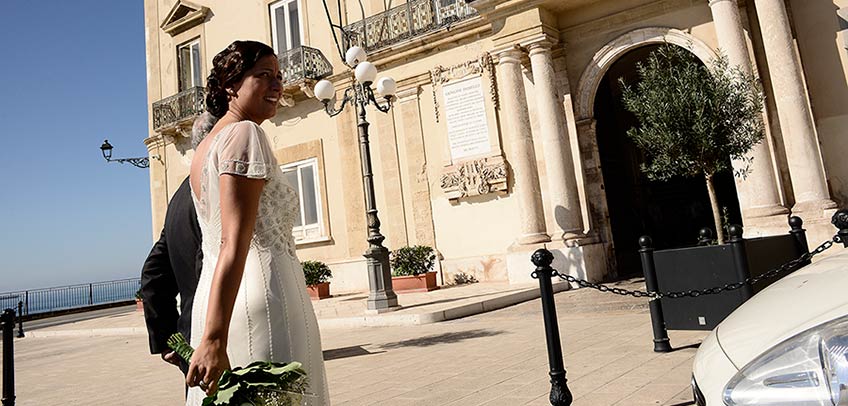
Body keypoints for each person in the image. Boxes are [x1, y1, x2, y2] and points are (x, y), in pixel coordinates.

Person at [185, 40, 329, 405]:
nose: (277, 85)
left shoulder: (205, 147)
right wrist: (214, 339)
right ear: (231, 85)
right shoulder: (245, 134)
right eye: (264, 75)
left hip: (218, 299)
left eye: (279, 76)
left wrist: (211, 330)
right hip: (266, 298)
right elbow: (234, 241)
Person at [140, 111, 218, 377]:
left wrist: (167, 339)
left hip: (189, 341)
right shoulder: (214, 191)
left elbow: (152, 274)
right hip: (218, 341)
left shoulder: (177, 198)